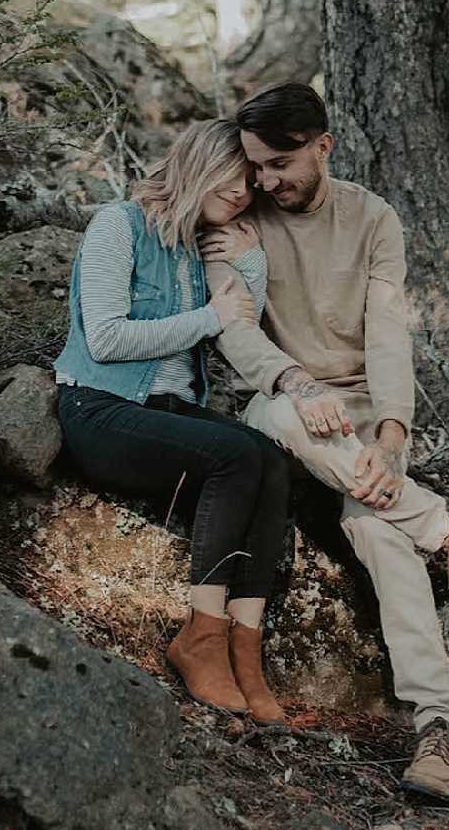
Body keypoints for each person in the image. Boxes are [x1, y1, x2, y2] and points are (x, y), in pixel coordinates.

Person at [208, 82, 449, 803]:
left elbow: (388, 330)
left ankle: (441, 730)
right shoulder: (239, 219)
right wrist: (295, 380)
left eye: (280, 163)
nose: (265, 180)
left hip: (360, 419)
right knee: (291, 422)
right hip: (281, 401)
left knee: (378, 530)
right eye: (256, 165)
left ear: (323, 146)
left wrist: (390, 432)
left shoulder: (374, 218)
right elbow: (235, 331)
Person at [53, 119, 292, 723]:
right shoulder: (119, 225)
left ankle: (246, 645)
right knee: (235, 456)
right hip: (102, 408)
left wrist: (252, 261)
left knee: (269, 456)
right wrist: (209, 317)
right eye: (232, 175)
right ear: (198, 162)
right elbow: (105, 339)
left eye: (250, 184)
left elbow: (240, 324)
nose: (242, 191)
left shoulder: (198, 246)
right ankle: (200, 638)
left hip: (168, 413)